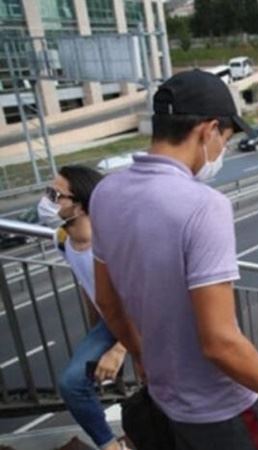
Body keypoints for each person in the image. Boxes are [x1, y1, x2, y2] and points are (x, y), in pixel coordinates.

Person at [90, 70, 258, 449]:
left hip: (166, 400)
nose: (222, 151)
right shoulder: (204, 206)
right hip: (220, 409)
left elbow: (108, 301)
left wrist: (144, 356)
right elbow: (220, 342)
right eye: (225, 139)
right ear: (208, 130)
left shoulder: (106, 192)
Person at [37, 166, 128, 450]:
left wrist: (118, 349)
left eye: (56, 195)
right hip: (109, 322)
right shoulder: (62, 240)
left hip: (143, 320)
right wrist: (97, 335)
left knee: (164, 385)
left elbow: (141, 300)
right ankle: (110, 445)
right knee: (72, 383)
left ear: (79, 205)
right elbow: (89, 286)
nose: (48, 201)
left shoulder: (113, 243)